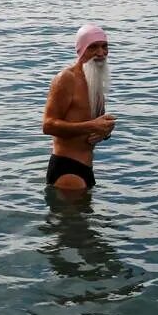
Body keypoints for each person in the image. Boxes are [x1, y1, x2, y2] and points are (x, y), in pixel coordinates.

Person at [42, 24, 116, 191]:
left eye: (105, 46)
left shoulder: (95, 81)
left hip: (86, 167)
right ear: (81, 50)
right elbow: (48, 125)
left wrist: (105, 131)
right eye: (93, 47)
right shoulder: (66, 79)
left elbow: (93, 126)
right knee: (72, 218)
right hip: (67, 169)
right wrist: (91, 126)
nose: (101, 52)